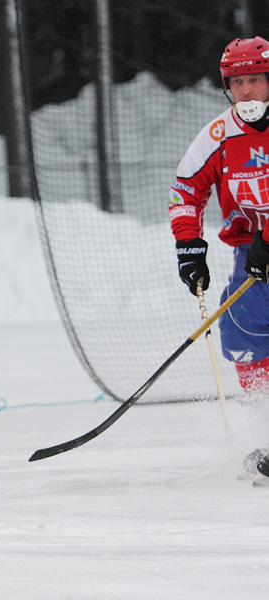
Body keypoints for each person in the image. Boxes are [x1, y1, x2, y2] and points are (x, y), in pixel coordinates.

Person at [170, 37, 269, 481]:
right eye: (238, 82)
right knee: (241, 330)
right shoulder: (218, 135)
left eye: (255, 80)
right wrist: (189, 247)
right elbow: (186, 191)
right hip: (252, 253)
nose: (246, 91)